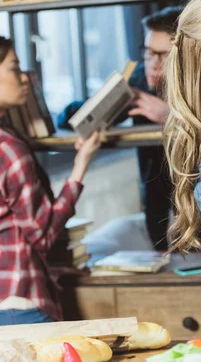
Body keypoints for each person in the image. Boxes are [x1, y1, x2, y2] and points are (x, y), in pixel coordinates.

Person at [58, 7, 182, 251]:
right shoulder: (138, 80)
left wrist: (171, 118)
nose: (152, 64)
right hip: (155, 197)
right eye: (148, 53)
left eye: (162, 55)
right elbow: (72, 117)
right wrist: (104, 102)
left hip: (199, 198)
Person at [0, 37, 101, 325]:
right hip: (19, 304)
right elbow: (43, 234)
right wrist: (80, 167)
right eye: (14, 68)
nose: (25, 79)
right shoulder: (9, 150)